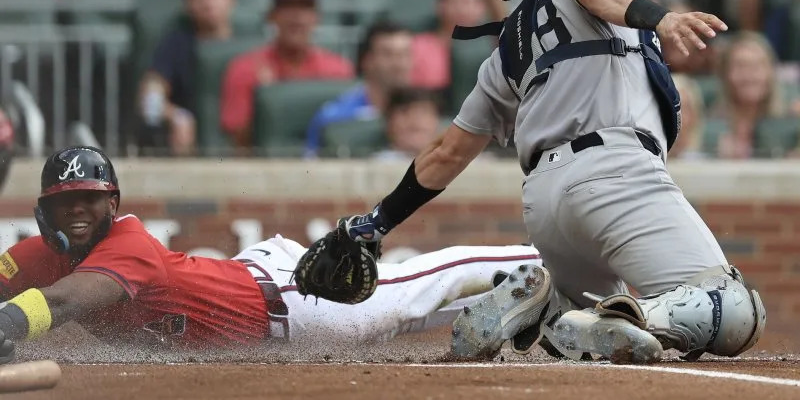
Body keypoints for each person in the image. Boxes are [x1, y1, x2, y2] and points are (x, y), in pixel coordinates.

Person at [313, 0, 765, 364]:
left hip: (546, 205)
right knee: (732, 308)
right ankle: (591, 316)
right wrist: (661, 17)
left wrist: (377, 221)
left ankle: (543, 306)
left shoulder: (507, 47)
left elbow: (447, 153)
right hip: (615, 173)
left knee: (584, 323)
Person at [0, 146, 541, 357]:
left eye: (90, 200)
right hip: (248, 278)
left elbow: (68, 301)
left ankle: (548, 260)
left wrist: (7, 324)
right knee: (417, 314)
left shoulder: (128, 242)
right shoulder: (36, 255)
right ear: (46, 206)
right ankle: (540, 296)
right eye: (66, 200)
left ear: (112, 203)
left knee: (411, 291)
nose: (78, 211)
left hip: (291, 302)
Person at [220, 0, 354, 147]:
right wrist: (263, 102)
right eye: (287, 8)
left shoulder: (339, 71)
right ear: (272, 16)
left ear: (317, 18)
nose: (296, 18)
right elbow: (238, 143)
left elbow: (346, 134)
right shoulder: (245, 68)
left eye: (304, 8)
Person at [138, 0, 236, 156]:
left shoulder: (250, 41)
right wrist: (176, 116)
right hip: (194, 144)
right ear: (187, 3)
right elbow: (149, 100)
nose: (209, 3)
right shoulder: (175, 45)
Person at [305, 21, 413, 157]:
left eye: (405, 54)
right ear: (366, 61)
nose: (399, 64)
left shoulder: (426, 117)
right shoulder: (333, 119)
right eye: (388, 55)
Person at [410, 0, 490, 91]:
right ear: (440, 5)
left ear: (482, 7)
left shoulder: (495, 46)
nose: (462, 8)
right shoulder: (417, 45)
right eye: (456, 1)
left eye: (468, 2)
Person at [713, 31, 784, 159]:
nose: (749, 75)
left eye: (757, 66)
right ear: (725, 74)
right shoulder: (707, 126)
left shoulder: (791, 124)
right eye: (740, 66)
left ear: (771, 73)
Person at [373, 88, 443, 161]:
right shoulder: (372, 165)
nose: (415, 119)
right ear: (389, 121)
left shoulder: (451, 163)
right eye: (404, 111)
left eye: (424, 111)